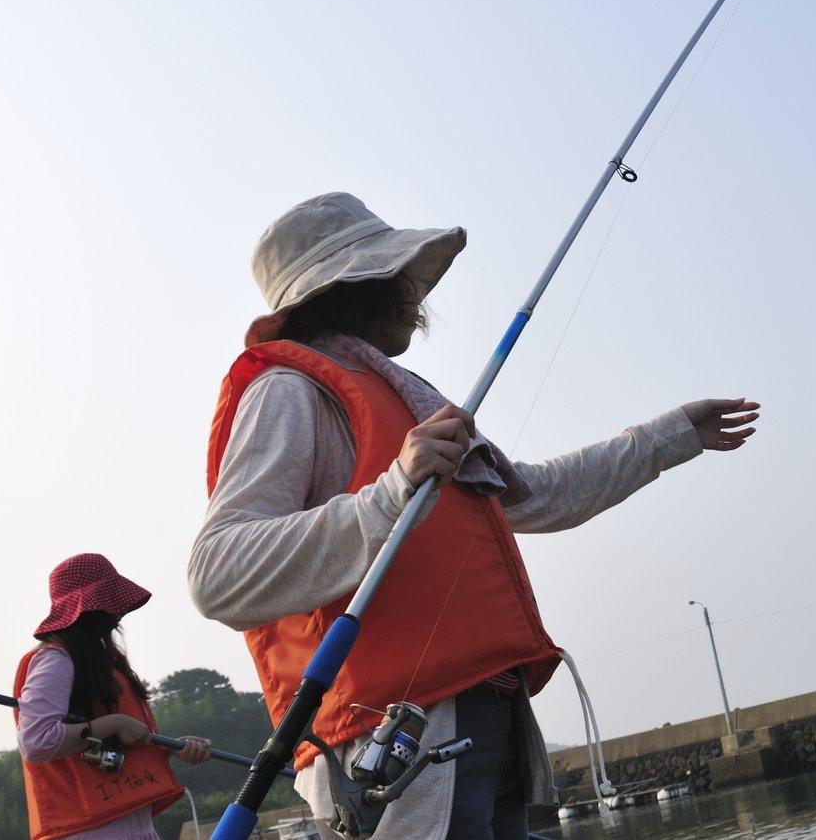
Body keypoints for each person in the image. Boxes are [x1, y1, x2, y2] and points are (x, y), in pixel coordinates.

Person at [189, 192, 759, 840]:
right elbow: (219, 574)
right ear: (359, 285)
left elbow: (535, 495)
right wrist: (394, 489)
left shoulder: (403, 397)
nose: (416, 292)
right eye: (401, 274)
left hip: (479, 709)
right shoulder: (288, 391)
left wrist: (669, 436)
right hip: (398, 730)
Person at [15, 553, 212, 840]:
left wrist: (171, 748)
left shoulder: (99, 661)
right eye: (110, 601)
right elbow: (36, 741)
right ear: (90, 607)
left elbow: (121, 743)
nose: (118, 613)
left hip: (133, 828)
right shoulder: (55, 661)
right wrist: (114, 724)